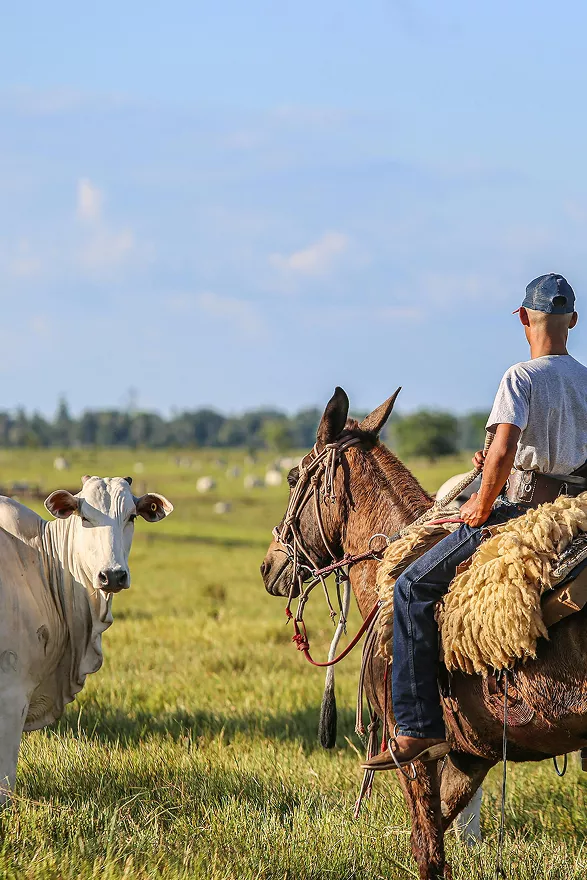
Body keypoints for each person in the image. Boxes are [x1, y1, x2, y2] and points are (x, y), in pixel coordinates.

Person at [363, 273, 587, 772]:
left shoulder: (520, 378)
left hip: (526, 511)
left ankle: (417, 728)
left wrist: (482, 504)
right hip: (578, 513)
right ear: (572, 321)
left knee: (410, 587)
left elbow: (505, 451)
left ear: (524, 319)